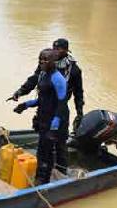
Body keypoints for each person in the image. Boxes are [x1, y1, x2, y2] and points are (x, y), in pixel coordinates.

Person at [13, 49, 69, 184]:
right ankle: (40, 175)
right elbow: (44, 99)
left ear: (53, 62)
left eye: (45, 60)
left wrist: (54, 126)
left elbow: (61, 104)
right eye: (40, 59)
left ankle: (43, 181)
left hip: (55, 120)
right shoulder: (43, 74)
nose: (42, 62)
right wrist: (25, 104)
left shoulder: (58, 79)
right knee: (42, 150)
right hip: (44, 117)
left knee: (47, 152)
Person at [10, 38, 84, 132]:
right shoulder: (45, 64)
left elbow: (78, 93)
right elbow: (34, 79)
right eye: (54, 48)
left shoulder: (74, 70)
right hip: (43, 107)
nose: (55, 51)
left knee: (59, 140)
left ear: (66, 50)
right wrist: (20, 92)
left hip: (60, 109)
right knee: (43, 138)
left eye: (58, 49)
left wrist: (79, 112)